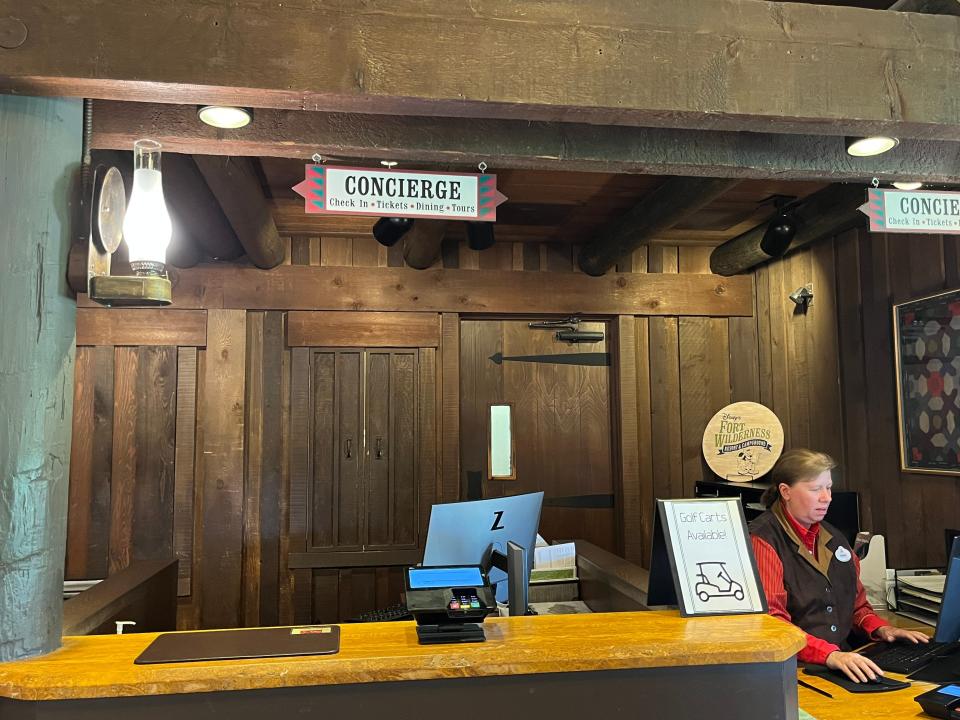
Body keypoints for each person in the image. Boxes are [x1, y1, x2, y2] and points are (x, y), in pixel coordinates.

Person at [749, 448, 928, 683]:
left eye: (829, 487)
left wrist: (883, 630)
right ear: (785, 491)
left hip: (842, 661)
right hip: (794, 672)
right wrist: (829, 655)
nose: (827, 497)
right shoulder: (763, 540)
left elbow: (858, 608)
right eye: (815, 489)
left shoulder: (835, 538)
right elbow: (773, 623)